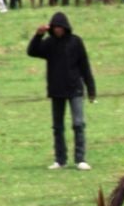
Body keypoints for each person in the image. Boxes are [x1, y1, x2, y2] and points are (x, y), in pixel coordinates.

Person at [27, 12, 97, 170]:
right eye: (55, 27)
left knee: (78, 124)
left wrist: (91, 89)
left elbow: (85, 66)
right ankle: (60, 160)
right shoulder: (49, 44)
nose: (58, 30)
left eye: (60, 27)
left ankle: (80, 159)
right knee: (58, 127)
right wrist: (38, 35)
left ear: (65, 27)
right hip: (56, 90)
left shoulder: (76, 42)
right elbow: (32, 52)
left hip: (75, 89)